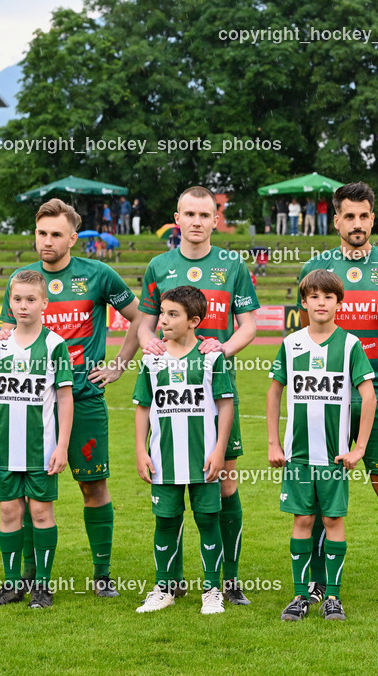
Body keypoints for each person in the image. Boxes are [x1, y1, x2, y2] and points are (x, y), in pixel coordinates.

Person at [0, 198, 142, 598]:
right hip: (31, 404)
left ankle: (102, 575)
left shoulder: (99, 275)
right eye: (41, 233)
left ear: (73, 238)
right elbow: (8, 336)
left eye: (56, 234)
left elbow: (141, 317)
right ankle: (28, 578)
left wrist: (118, 365)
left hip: (84, 396)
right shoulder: (23, 282)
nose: (47, 241)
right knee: (25, 492)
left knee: (93, 486)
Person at [297, 181, 378, 609]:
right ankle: (312, 584)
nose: (357, 223)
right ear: (336, 220)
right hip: (322, 392)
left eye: (364, 215)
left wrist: (369, 372)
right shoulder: (315, 268)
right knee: (317, 489)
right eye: (349, 216)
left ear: (373, 218)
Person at [138, 186, 259, 605]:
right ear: (177, 218)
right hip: (173, 389)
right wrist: (148, 342)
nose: (195, 222)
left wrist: (221, 348)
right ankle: (170, 582)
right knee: (172, 483)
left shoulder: (232, 265)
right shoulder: (158, 265)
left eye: (204, 215)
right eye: (188, 214)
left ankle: (229, 581)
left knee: (223, 486)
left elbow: (249, 326)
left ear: (214, 220)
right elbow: (144, 323)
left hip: (215, 389)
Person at [268, 270, 377, 622]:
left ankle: (333, 597)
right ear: (304, 302)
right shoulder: (290, 343)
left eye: (328, 297)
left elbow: (369, 396)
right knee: (302, 520)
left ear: (338, 303)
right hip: (298, 456)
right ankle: (301, 596)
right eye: (314, 296)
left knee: (332, 519)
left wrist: (358, 448)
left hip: (334, 456)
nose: (321, 302)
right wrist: (273, 442)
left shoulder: (350, 345)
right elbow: (274, 392)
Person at [133, 286, 233, 615]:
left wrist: (220, 450)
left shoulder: (211, 357)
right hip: (164, 458)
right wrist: (140, 450)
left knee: (208, 520)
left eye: (172, 314)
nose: (163, 320)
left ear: (194, 321)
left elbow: (225, 404)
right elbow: (143, 407)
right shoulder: (152, 358)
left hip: (203, 457)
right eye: (162, 313)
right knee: (165, 522)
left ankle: (211, 589)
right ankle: (164, 588)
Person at [0, 270, 74, 609]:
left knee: (41, 513)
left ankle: (43, 587)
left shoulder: (54, 345)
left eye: (31, 299)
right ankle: (10, 585)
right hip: (4, 450)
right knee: (8, 511)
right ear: (10, 302)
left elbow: (65, 398)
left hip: (41, 449)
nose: (23, 305)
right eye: (17, 299)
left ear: (44, 303)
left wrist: (62, 446)